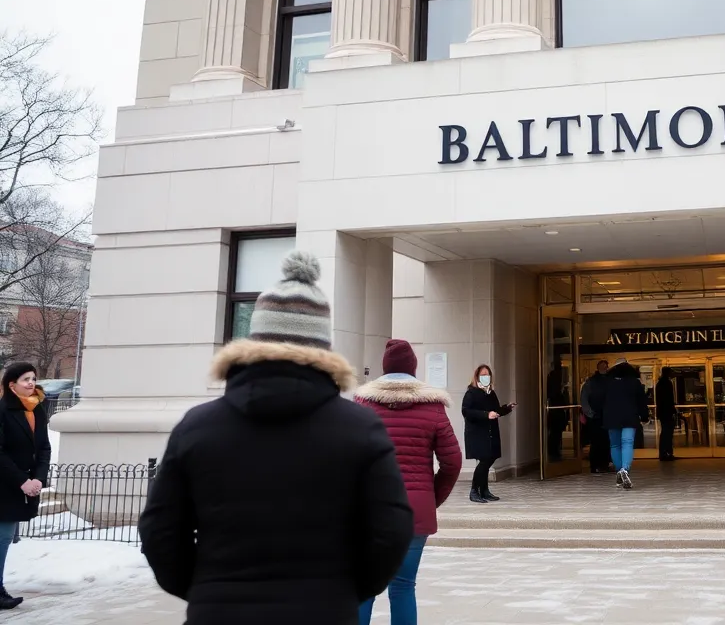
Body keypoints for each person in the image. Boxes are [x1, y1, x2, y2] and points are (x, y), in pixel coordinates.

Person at [138, 252, 414, 625]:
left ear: (255, 339)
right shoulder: (359, 428)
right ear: (322, 346)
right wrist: (347, 590)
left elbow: (160, 530)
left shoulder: (198, 426)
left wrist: (206, 588)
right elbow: (391, 528)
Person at [354, 339, 461, 625]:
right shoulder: (433, 408)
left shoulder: (362, 405)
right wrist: (430, 497)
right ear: (413, 369)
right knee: (403, 586)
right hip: (414, 511)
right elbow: (453, 463)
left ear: (384, 368)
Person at [0, 363, 51, 610]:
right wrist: (22, 481)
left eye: (33, 378)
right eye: (25, 379)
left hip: (27, 483)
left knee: (5, 537)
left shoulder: (37, 409)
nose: (31, 383)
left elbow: (44, 448)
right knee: (3, 536)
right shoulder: (2, 410)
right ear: (12, 385)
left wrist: (39, 478)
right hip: (5, 482)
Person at [462, 364, 514, 503]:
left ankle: (484, 490)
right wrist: (485, 415)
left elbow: (495, 411)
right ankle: (474, 490)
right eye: (483, 375)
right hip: (478, 432)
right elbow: (466, 411)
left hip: (490, 431)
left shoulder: (491, 393)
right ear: (477, 376)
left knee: (489, 459)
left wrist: (507, 408)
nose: (486, 377)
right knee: (484, 460)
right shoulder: (471, 393)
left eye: (487, 375)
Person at [601, 357, 649, 490]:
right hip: (629, 416)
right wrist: (644, 416)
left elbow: (600, 401)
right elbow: (642, 402)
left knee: (615, 445)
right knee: (627, 442)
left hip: (611, 418)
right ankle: (625, 470)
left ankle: (619, 470)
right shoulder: (635, 382)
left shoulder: (607, 382)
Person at [580, 360, 612, 473]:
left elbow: (584, 398)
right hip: (600, 416)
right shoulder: (596, 381)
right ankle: (599, 465)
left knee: (600, 441)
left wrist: (590, 414)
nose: (605, 368)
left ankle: (599, 465)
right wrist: (590, 413)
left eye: (606, 366)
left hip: (599, 416)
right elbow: (584, 399)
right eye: (604, 366)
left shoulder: (592, 381)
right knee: (600, 441)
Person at [656, 366, 678, 461]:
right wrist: (673, 409)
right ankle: (667, 453)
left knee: (665, 433)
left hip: (662, 412)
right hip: (667, 412)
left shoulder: (660, 383)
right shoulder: (667, 383)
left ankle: (664, 453)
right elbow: (668, 399)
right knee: (667, 433)